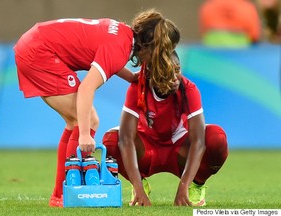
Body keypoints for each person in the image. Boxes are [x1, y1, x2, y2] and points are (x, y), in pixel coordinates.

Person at [14, 9, 180, 207]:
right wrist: (85, 135)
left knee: (74, 120)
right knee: (86, 120)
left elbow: (105, 54)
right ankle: (63, 196)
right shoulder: (119, 49)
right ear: (149, 45)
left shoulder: (123, 34)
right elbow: (86, 88)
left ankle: (60, 195)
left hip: (35, 42)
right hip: (39, 52)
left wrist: (130, 77)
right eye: (161, 50)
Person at [102, 50, 229, 206]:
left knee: (216, 137)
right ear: (152, 74)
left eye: (177, 70)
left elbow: (198, 141)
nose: (175, 78)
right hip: (146, 150)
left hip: (178, 149)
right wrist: (138, 187)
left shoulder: (188, 89)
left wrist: (184, 186)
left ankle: (197, 183)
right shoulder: (138, 87)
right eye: (169, 72)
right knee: (111, 141)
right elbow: (126, 140)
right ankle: (140, 186)